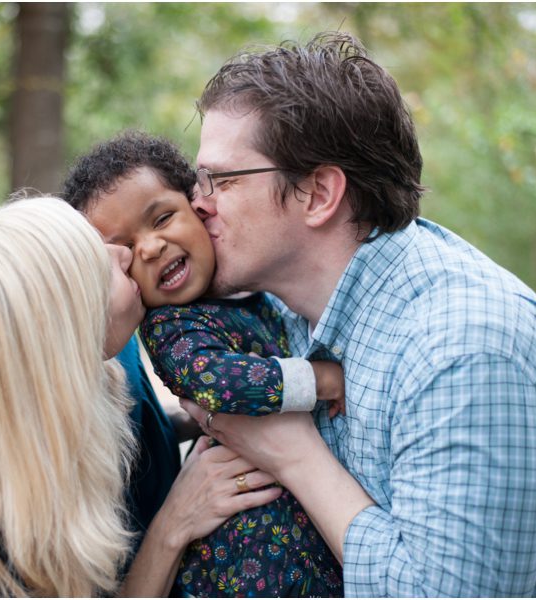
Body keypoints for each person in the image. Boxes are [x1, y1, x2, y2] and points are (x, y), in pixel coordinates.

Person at [178, 31, 536, 597]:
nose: (197, 202)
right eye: (199, 179)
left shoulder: (467, 351)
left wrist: (295, 455)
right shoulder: (288, 309)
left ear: (319, 194)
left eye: (220, 180)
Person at [0, 196, 284, 597]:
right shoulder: (15, 531)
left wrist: (204, 416)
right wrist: (176, 523)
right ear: (66, 332)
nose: (123, 254)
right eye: (94, 266)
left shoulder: (118, 353)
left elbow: (137, 433)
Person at [61, 131, 345, 597]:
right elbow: (220, 384)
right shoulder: (171, 328)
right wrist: (322, 380)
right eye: (127, 252)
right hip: (244, 555)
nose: (150, 248)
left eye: (163, 218)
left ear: (199, 204)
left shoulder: (250, 287)